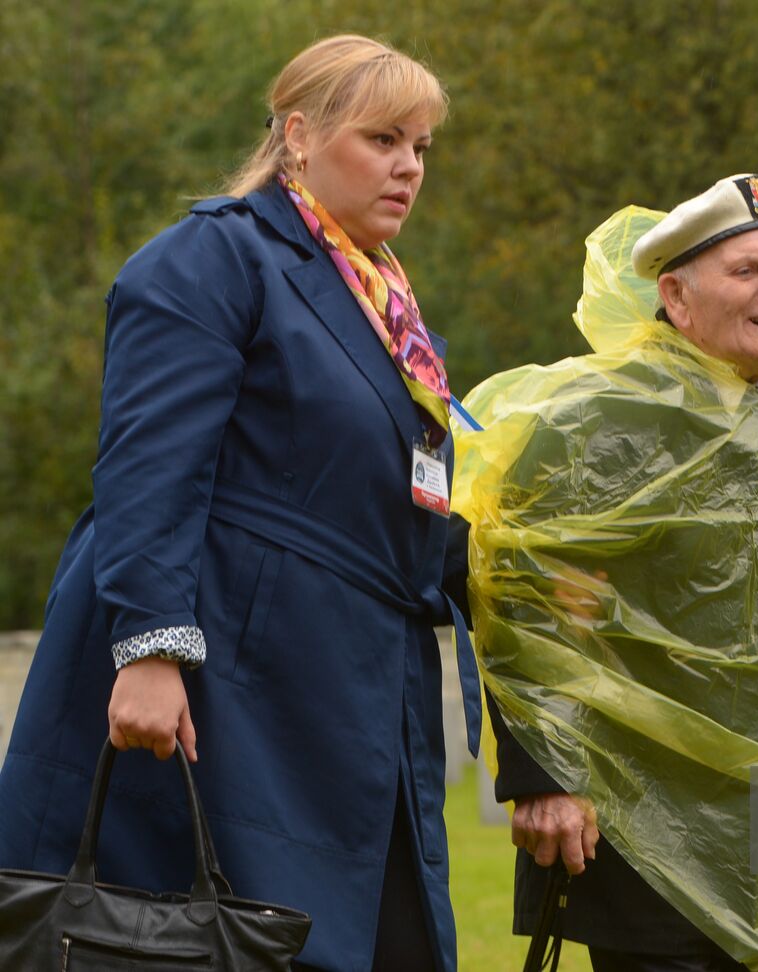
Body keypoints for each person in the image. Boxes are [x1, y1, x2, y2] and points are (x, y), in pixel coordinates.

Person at [0, 35, 479, 972]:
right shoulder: (213, 259)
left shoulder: (388, 307)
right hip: (226, 683)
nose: (409, 167)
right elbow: (150, 466)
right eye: (384, 138)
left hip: (355, 686)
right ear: (299, 136)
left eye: (421, 146)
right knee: (202, 940)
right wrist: (150, 647)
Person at [453, 176, 758, 971]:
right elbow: (524, 604)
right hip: (645, 818)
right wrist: (541, 775)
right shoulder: (603, 420)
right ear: (675, 294)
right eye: (747, 271)